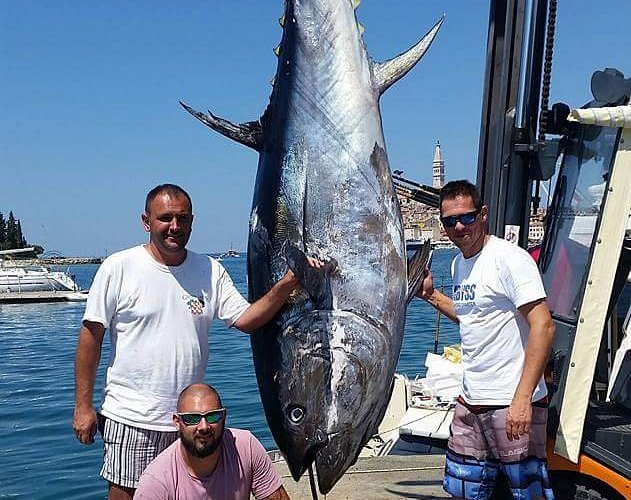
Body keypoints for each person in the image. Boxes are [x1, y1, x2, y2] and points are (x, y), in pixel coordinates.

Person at [73, 184, 314, 500]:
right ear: (147, 221)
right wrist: (83, 406)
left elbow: (246, 320)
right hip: (132, 417)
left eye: (182, 219)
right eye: (165, 218)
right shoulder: (119, 267)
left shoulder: (210, 269)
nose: (174, 227)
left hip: (191, 422)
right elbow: (91, 336)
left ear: (192, 221)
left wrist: (288, 284)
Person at [418, 180, 556, 500]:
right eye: (449, 221)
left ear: (483, 214)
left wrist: (522, 399)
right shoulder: (458, 264)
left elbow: (543, 326)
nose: (459, 226)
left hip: (512, 403)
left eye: (466, 217)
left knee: (526, 493)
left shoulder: (510, 259)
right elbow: (471, 315)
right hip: (471, 401)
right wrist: (430, 295)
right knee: (464, 490)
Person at [134, 383, 290, 500]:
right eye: (192, 418)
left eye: (212, 416)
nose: (203, 427)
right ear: (177, 422)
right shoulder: (156, 482)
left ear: (224, 416)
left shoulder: (245, 447)